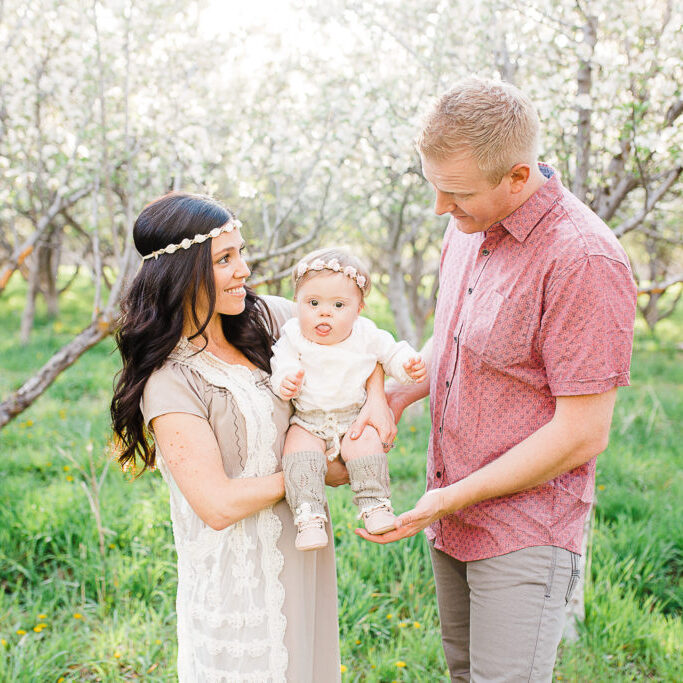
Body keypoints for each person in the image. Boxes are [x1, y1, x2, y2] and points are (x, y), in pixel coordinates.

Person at [357, 78, 637, 681]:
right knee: (464, 673)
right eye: (433, 187)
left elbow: (583, 433)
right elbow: (457, 337)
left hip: (524, 528)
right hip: (453, 516)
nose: (439, 208)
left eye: (455, 193)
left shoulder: (582, 259)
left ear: (517, 176)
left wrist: (448, 499)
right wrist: (398, 395)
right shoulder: (466, 227)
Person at [110, 192, 395, 682]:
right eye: (224, 259)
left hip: (303, 558)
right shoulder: (171, 380)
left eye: (241, 251)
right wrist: (312, 473)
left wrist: (376, 399)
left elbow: (360, 343)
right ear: (183, 271)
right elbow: (216, 504)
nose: (244, 268)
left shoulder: (272, 320)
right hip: (237, 580)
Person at [270, 247, 427, 551]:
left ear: (359, 308)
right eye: (312, 303)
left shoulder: (366, 333)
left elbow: (391, 352)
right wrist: (285, 379)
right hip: (308, 420)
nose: (324, 312)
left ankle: (375, 505)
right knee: (298, 452)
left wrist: (407, 363)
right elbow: (282, 361)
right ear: (296, 304)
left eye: (339, 305)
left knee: (365, 444)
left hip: (354, 417)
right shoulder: (293, 335)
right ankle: (308, 517)